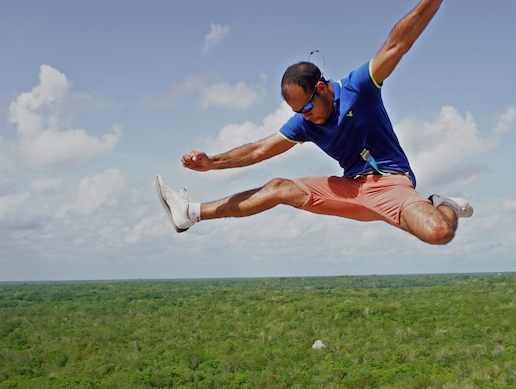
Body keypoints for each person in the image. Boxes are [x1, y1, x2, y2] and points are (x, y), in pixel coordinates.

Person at [155, 0, 472, 246]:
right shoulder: (305, 122)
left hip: (391, 183)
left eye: (307, 106)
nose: (305, 116)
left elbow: (397, 43)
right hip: (349, 188)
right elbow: (258, 150)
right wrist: (212, 163)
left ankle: (443, 204)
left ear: (322, 87)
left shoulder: (358, 88)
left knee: (438, 232)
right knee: (279, 188)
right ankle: (191, 213)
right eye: (298, 112)